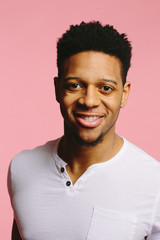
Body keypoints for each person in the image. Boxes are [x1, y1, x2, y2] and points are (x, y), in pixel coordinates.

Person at [8, 21, 160, 240]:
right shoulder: (22, 168)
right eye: (75, 85)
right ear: (57, 88)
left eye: (105, 88)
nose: (89, 101)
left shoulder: (154, 184)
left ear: (124, 94)